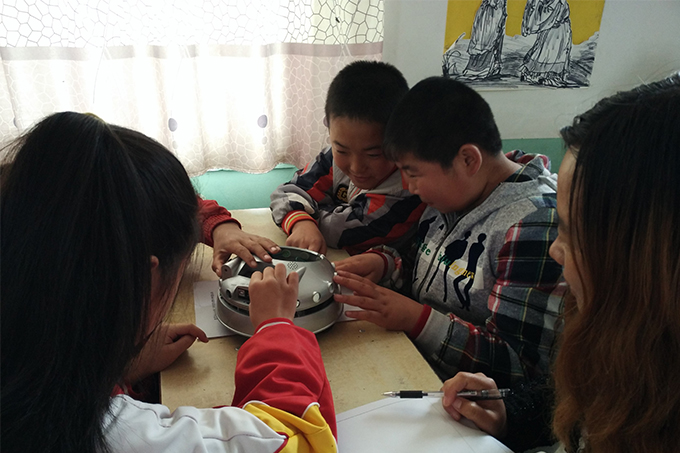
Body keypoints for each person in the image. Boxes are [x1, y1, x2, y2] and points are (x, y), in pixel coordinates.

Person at [0, 112, 337, 452]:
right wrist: (276, 329)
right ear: (142, 281)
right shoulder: (121, 436)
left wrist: (118, 365)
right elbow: (299, 439)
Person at [441, 74, 680, 453]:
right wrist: (507, 413)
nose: (555, 249)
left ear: (644, 260)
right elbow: (567, 395)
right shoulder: (620, 342)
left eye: (570, 233)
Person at [333, 76, 566, 387]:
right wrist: (386, 263)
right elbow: (425, 265)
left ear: (467, 159)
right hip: (412, 365)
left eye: (412, 173)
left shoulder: (534, 225)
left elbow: (519, 366)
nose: (408, 187)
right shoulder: (454, 194)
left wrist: (417, 320)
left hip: (462, 399)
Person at [270, 60, 426, 256]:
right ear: (328, 127)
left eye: (373, 154)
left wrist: (306, 211)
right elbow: (286, 193)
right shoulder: (331, 157)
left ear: (400, 140)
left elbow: (342, 232)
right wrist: (301, 222)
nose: (356, 167)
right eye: (342, 150)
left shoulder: (409, 187)